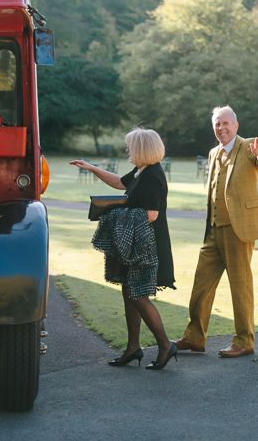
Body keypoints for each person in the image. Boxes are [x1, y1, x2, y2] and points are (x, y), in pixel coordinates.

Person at [175, 105, 258, 358]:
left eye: (225, 123)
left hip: (238, 229)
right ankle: (195, 337)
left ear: (236, 125)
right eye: (217, 124)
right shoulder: (213, 153)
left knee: (240, 286)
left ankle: (244, 341)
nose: (221, 128)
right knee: (201, 285)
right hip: (213, 230)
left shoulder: (249, 147)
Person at [70, 128, 177, 370]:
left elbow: (151, 214)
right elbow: (120, 183)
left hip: (146, 245)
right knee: (129, 293)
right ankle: (132, 348)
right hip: (136, 243)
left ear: (141, 149)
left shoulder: (153, 175)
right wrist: (92, 168)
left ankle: (165, 345)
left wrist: (114, 213)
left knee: (138, 295)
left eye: (130, 146)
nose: (127, 150)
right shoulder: (142, 171)